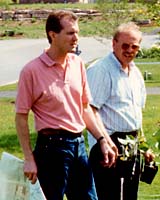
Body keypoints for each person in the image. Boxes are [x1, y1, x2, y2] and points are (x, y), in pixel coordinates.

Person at [15, 10, 117, 200]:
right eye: (70, 33)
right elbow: (21, 116)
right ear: (53, 35)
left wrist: (102, 140)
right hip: (51, 150)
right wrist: (29, 158)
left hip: (79, 146)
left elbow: (85, 107)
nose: (76, 38)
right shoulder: (31, 71)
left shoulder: (78, 64)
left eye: (77, 32)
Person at [87, 22, 155, 200]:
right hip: (108, 149)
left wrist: (144, 146)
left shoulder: (136, 73)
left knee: (129, 196)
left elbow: (135, 117)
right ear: (114, 43)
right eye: (125, 45)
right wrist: (105, 142)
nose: (129, 50)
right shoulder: (101, 70)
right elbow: (89, 110)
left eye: (135, 47)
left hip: (131, 147)